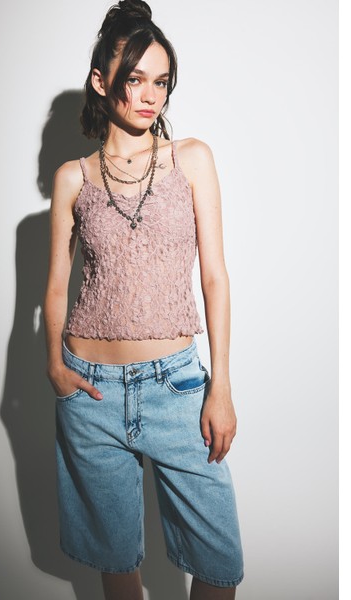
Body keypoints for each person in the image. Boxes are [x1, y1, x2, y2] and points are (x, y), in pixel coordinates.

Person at [43, 1, 244, 598]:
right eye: (135, 79)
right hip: (90, 394)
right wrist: (54, 367)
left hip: (176, 387)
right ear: (101, 81)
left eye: (161, 82)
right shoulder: (73, 177)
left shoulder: (191, 160)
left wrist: (220, 386)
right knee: (116, 563)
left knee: (219, 563)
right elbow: (56, 285)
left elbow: (215, 276)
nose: (150, 95)